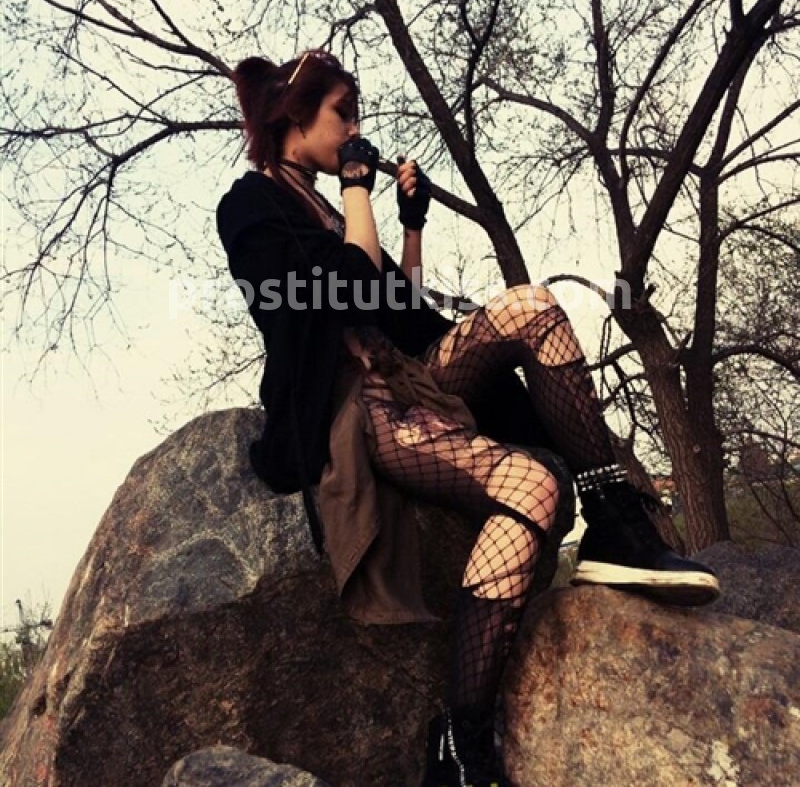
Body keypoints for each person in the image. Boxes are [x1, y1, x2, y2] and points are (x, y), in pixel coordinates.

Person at [216, 49, 719, 787]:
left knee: (534, 306)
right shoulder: (249, 207)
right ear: (295, 115)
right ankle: (460, 748)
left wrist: (410, 224)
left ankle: (616, 520)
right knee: (534, 487)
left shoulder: (330, 207)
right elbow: (345, 295)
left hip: (408, 375)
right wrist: (357, 188)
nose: (355, 129)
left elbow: (400, 307)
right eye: (342, 113)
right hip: (355, 405)